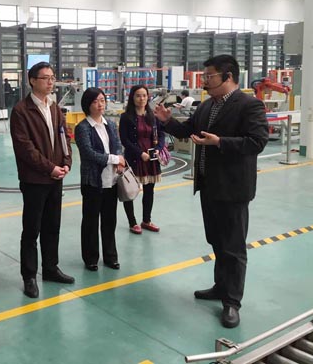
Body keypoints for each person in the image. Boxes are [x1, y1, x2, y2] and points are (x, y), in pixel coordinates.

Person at [154, 55, 268, 328]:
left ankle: (232, 302)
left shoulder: (249, 105)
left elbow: (257, 141)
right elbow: (188, 130)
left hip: (233, 188)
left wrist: (220, 142)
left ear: (227, 76)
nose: (205, 80)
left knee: (234, 247)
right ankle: (220, 286)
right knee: (217, 241)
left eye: (210, 76)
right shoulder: (206, 105)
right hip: (208, 185)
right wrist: (168, 121)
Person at [10, 62, 74, 298]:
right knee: (32, 229)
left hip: (56, 177)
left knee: (52, 226)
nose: (50, 82)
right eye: (45, 77)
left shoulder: (54, 108)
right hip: (35, 180)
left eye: (52, 77)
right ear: (32, 80)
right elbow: (25, 149)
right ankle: (29, 276)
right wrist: (50, 168)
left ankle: (50, 268)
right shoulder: (21, 111)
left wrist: (66, 162)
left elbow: (65, 137)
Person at [74, 88, 126, 271]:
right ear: (87, 105)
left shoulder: (110, 124)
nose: (100, 104)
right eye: (95, 101)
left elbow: (117, 145)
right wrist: (114, 159)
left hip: (111, 181)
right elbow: (88, 153)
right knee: (90, 221)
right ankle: (91, 258)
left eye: (102, 100)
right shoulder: (82, 128)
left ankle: (110, 256)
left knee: (110, 220)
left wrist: (119, 159)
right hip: (93, 182)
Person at [119, 85, 165, 235]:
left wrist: (158, 148)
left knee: (149, 191)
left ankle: (146, 220)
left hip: (151, 159)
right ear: (132, 98)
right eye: (138, 95)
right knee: (129, 190)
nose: (142, 98)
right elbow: (125, 140)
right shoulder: (126, 117)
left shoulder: (153, 116)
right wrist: (140, 153)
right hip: (135, 158)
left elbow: (161, 134)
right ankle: (132, 222)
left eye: (144, 95)